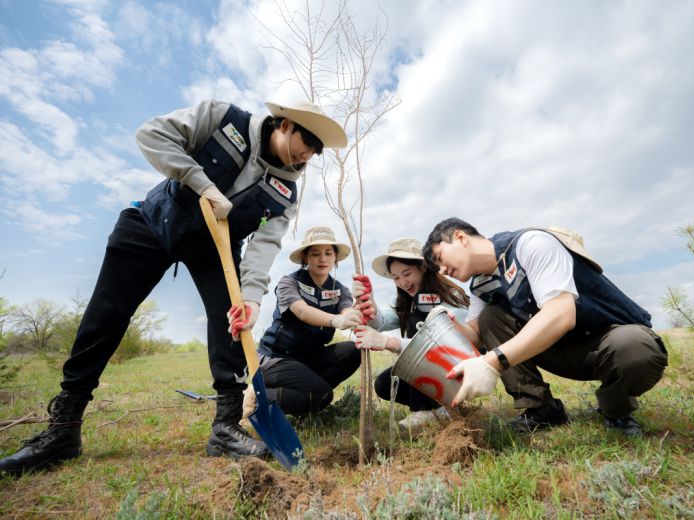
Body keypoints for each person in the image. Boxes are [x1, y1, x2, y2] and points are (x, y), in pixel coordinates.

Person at [0, 100, 347, 476]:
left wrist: (250, 299)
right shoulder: (222, 118)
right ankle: (64, 428)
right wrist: (202, 183)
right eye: (306, 142)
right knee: (105, 316)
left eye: (316, 151)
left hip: (215, 249)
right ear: (285, 125)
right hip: (156, 220)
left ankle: (225, 428)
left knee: (231, 325)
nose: (307, 155)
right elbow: (152, 135)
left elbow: (263, 247)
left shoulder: (286, 194)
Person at [422, 218, 668, 436]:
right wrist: (450, 324)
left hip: (606, 341)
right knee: (490, 317)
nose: (442, 270)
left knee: (636, 348)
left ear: (460, 237)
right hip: (558, 350)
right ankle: (541, 409)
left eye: (440, 258)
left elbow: (561, 314)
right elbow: (477, 334)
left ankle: (616, 410)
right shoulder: (480, 286)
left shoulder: (531, 244)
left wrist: (491, 362)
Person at [352, 238, 471, 431]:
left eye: (407, 274)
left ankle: (423, 410)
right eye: (396, 278)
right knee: (384, 384)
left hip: (458, 368)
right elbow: (381, 322)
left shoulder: (450, 297)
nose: (402, 282)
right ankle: (439, 410)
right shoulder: (405, 299)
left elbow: (442, 345)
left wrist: (389, 342)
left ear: (423, 267)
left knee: (417, 322)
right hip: (434, 370)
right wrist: (369, 301)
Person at [252, 226, 363, 415]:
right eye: (315, 254)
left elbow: (347, 312)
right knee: (321, 395)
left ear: (335, 257)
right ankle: (255, 397)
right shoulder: (289, 283)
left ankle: (308, 398)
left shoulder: (340, 290)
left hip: (308, 358)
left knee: (353, 351)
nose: (322, 259)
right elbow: (303, 311)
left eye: (328, 253)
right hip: (276, 358)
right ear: (305, 257)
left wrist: (359, 305)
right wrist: (336, 320)